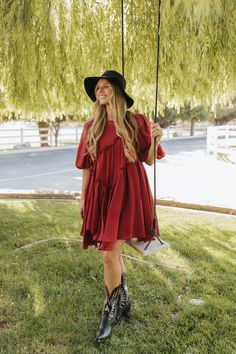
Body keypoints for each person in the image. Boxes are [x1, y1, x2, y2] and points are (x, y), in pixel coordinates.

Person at [75, 70, 165, 342]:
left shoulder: (135, 122)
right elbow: (87, 166)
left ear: (117, 91)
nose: (99, 91)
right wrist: (83, 197)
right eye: (97, 88)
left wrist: (157, 138)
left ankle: (110, 308)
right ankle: (122, 300)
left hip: (129, 194)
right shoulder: (92, 127)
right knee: (111, 251)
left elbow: (149, 160)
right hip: (102, 194)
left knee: (108, 254)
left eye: (104, 86)